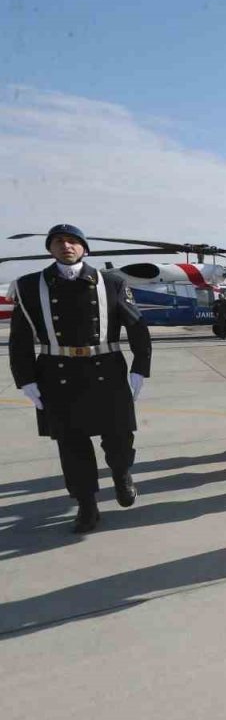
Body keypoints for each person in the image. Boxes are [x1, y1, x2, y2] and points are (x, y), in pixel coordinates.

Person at [8, 224, 151, 532]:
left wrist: (140, 367)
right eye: (58, 241)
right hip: (57, 373)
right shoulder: (30, 286)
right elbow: (19, 338)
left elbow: (137, 326)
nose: (66, 246)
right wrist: (25, 378)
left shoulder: (111, 282)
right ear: (50, 249)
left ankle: (121, 473)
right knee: (71, 445)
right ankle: (87, 505)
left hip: (107, 369)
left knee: (119, 437)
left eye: (73, 241)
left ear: (85, 248)